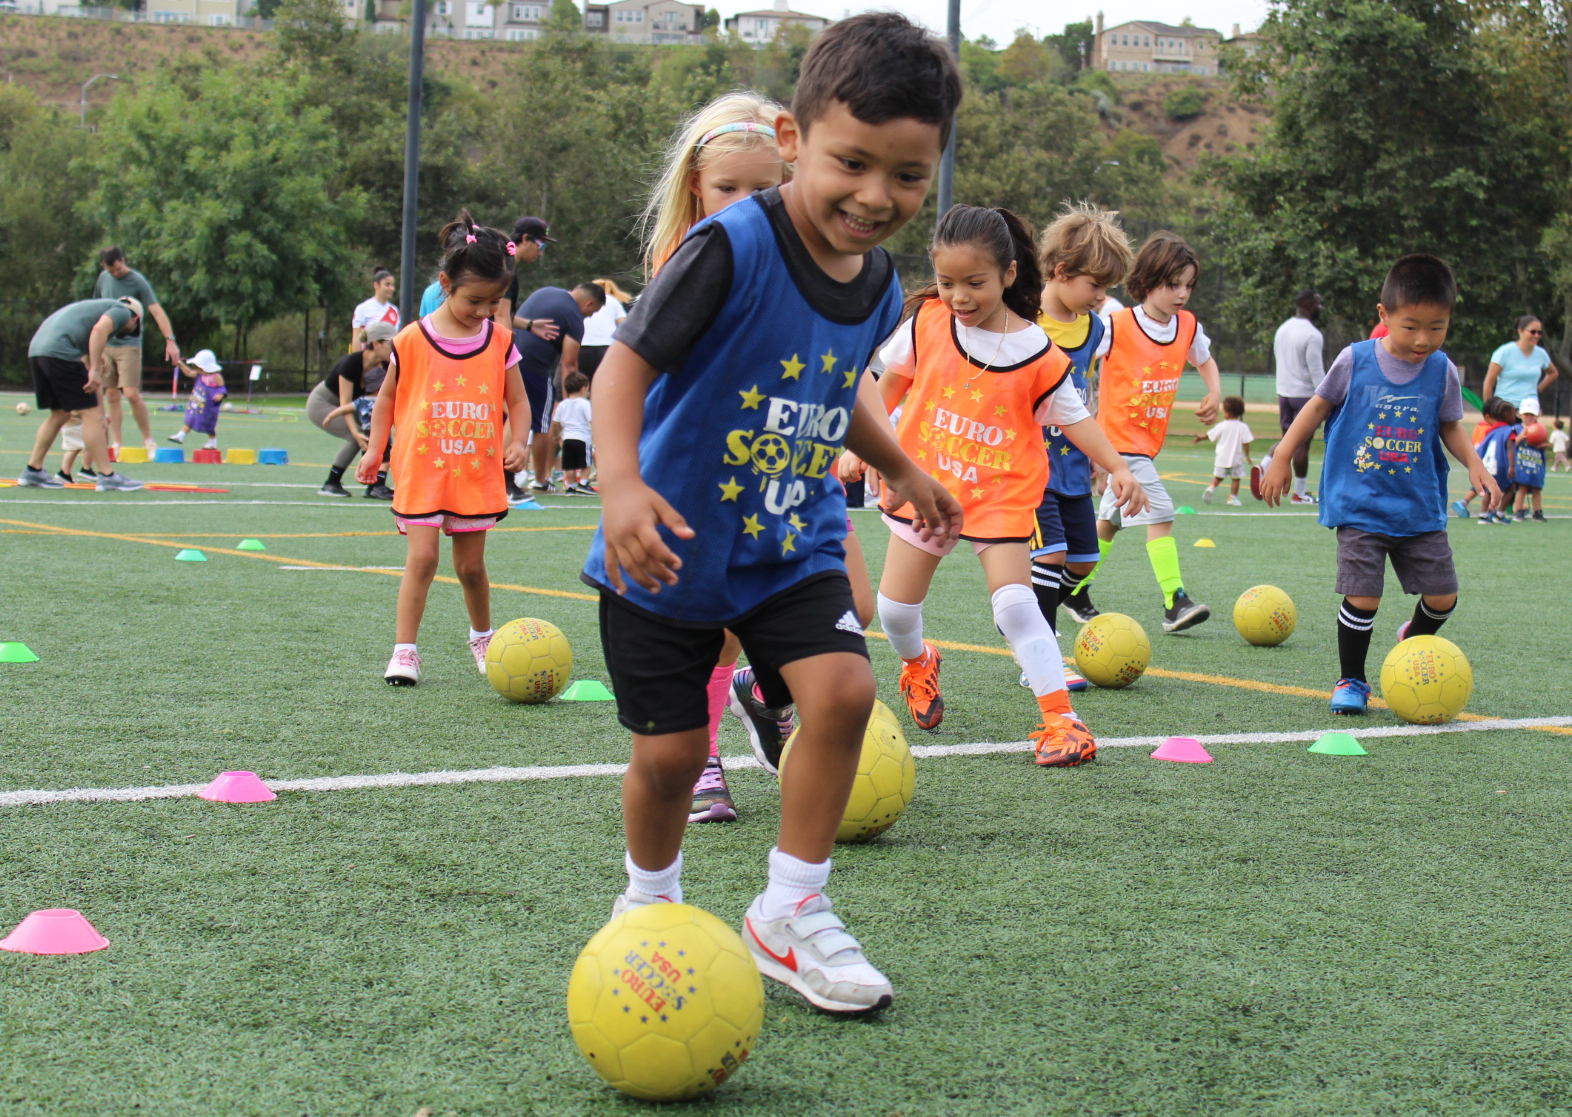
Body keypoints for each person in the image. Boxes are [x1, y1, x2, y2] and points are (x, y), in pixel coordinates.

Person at [581, 11, 962, 1014]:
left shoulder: (880, 281)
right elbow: (623, 369)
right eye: (852, 162)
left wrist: (902, 467)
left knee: (841, 694)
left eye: (909, 175)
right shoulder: (727, 248)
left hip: (790, 539)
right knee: (667, 759)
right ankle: (646, 905)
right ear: (794, 140)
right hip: (674, 546)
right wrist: (621, 484)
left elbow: (836, 396)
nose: (877, 196)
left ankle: (788, 911)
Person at [845, 204, 1146, 766]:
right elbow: (888, 386)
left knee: (1014, 603)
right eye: (946, 282)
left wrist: (1120, 466)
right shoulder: (927, 322)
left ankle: (1062, 720)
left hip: (1001, 494)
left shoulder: (1039, 354)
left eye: (974, 283)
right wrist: (856, 448)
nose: (959, 296)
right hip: (926, 486)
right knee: (894, 614)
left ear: (1009, 274)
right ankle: (918, 664)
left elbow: (1075, 417)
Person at [632, 88, 790, 826]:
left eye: (764, 187)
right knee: (704, 621)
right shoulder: (683, 259)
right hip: (697, 466)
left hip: (782, 460)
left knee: (849, 603)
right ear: (696, 184)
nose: (745, 202)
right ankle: (703, 760)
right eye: (729, 186)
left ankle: (761, 688)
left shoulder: (803, 257)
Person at [1261, 254, 1499, 715]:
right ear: (1384, 315)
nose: (1423, 340)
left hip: (1418, 507)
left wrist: (1474, 463)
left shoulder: (1442, 369)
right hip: (1360, 505)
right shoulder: (1355, 360)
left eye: (1437, 327)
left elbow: (1450, 424)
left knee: (1443, 596)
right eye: (1411, 326)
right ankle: (1351, 679)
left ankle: (1413, 641)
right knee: (1363, 596)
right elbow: (1314, 407)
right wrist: (1282, 456)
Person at [356, 210, 531, 686]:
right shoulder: (411, 339)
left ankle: (482, 637)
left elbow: (517, 398)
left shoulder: (500, 340)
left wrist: (519, 440)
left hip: (475, 472)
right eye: (475, 300)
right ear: (445, 283)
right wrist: (375, 451)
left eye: (494, 303)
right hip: (421, 468)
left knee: (472, 566)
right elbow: (388, 396)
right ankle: (404, 651)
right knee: (424, 559)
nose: (484, 311)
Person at [1079, 232, 1223, 633]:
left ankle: (1075, 588)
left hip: (1146, 444)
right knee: (1160, 510)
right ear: (1146, 281)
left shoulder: (1187, 326)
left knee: (1109, 521)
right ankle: (1174, 600)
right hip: (1117, 442)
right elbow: (1080, 354)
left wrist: (1215, 391)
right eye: (1173, 284)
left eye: (1189, 285)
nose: (1183, 294)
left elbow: (1205, 359)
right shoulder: (1116, 325)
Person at [1028, 203, 1135, 670]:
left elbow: (1084, 395)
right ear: (1060, 271)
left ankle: (1026, 609)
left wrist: (1100, 457)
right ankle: (1039, 656)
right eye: (1095, 285)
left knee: (1084, 560)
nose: (1101, 295)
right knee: (1049, 556)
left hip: (1073, 463)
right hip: (1029, 465)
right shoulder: (1023, 320)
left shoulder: (1094, 328)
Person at [17, 296, 146, 492]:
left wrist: (101, 413)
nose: (125, 332)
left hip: (38, 350)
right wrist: (95, 369)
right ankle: (107, 475)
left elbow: (92, 382)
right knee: (90, 414)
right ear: (135, 318)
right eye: (131, 329)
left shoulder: (89, 313)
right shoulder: (122, 311)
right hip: (60, 352)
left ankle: (33, 470)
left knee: (60, 413)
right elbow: (100, 330)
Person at [93, 246, 180, 457]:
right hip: (106, 344)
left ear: (123, 260)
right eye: (110, 270)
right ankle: (117, 444)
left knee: (131, 393)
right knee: (111, 394)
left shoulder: (138, 281)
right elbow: (96, 307)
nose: (115, 274)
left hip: (129, 345)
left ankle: (148, 440)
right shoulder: (103, 278)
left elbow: (157, 311)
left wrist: (170, 341)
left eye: (118, 269)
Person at [514, 283, 595, 495]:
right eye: (592, 312)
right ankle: (541, 479)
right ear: (589, 303)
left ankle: (499, 474)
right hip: (533, 368)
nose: (589, 316)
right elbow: (569, 363)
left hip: (508, 358)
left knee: (507, 417)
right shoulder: (574, 316)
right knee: (541, 423)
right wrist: (571, 399)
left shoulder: (545, 291)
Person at [310, 320, 396, 498]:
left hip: (352, 405)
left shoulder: (387, 366)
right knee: (356, 436)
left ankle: (374, 486)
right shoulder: (351, 363)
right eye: (390, 343)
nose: (394, 348)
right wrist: (356, 434)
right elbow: (345, 402)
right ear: (376, 344)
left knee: (372, 436)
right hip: (323, 403)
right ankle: (331, 483)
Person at [1258, 289, 1324, 504]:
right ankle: (1300, 493)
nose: (1321, 308)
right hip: (1304, 395)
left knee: (1288, 441)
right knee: (1301, 445)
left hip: (1284, 392)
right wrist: (1327, 400)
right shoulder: (1313, 334)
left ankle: (1264, 466)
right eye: (1318, 304)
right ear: (1309, 306)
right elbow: (1316, 372)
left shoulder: (1282, 329)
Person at [1451, 396, 1515, 521]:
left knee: (1488, 490)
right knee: (1509, 488)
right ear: (1507, 416)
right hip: (1500, 465)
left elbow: (1481, 448)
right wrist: (1512, 466)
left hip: (1488, 465)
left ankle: (1484, 515)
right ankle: (1498, 514)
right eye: (1513, 414)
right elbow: (1510, 448)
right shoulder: (1509, 431)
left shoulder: (1490, 431)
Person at [1483, 315, 1559, 412]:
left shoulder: (1541, 354)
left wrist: (1538, 389)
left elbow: (1553, 373)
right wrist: (1488, 410)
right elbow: (1489, 382)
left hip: (1529, 409)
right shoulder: (1504, 352)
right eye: (1533, 332)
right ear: (1520, 331)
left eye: (1539, 333)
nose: (1536, 336)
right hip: (1505, 408)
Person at [500, 215, 557, 329]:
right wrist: (507, 346)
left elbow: (500, 313)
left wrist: (530, 325)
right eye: (540, 246)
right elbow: (500, 316)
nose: (540, 253)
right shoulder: (505, 267)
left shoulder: (506, 263)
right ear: (525, 239)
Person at [1196, 396, 1253, 505]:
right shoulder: (1243, 427)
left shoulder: (1222, 425)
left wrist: (1200, 438)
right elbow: (1246, 442)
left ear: (1228, 413)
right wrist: (1248, 456)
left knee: (1218, 477)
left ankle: (1211, 488)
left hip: (1221, 458)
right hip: (1236, 460)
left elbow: (1210, 435)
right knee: (1236, 479)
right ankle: (1232, 498)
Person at [166, 350, 227, 450]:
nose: (198, 370)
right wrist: (181, 365)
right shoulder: (200, 375)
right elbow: (189, 372)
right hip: (197, 404)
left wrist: (220, 395)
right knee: (190, 419)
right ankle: (181, 436)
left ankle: (212, 442)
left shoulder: (216, 377)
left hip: (208, 407)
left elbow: (222, 389)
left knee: (209, 425)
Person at [578, 279, 632, 379]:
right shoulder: (613, 301)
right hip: (607, 347)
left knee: (582, 383)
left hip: (583, 347)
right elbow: (624, 326)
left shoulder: (584, 301)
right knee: (605, 380)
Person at [552, 371, 594, 493]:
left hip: (567, 439)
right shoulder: (585, 404)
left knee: (569, 465)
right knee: (586, 463)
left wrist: (557, 435)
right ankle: (583, 483)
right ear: (583, 388)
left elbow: (555, 423)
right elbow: (591, 420)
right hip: (582, 438)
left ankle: (570, 486)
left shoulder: (562, 404)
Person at [1511, 398, 1547, 522]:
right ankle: (1518, 510)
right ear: (1520, 414)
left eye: (1532, 415)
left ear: (1537, 415)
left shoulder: (1540, 429)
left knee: (1537, 489)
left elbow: (1545, 445)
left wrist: (1544, 445)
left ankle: (1537, 511)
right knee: (1523, 488)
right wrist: (1520, 437)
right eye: (1526, 414)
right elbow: (1511, 445)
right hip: (1522, 463)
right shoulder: (1516, 428)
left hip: (1535, 463)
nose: (1529, 417)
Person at [350, 269, 399, 352]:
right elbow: (356, 338)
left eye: (392, 285)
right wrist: (356, 362)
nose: (391, 288)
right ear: (376, 285)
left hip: (388, 359)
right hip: (369, 358)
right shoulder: (362, 308)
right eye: (387, 285)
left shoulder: (394, 310)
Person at [56, 411, 89, 483]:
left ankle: (65, 473)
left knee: (75, 449)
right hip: (75, 424)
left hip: (71, 424)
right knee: (75, 449)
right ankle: (65, 473)